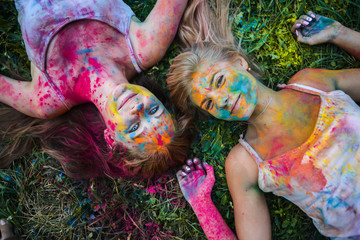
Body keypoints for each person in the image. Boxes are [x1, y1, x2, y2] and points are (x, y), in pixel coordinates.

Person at [167, 0, 360, 239]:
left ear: (240, 62)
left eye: (219, 81)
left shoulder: (312, 84)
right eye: (209, 104)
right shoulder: (244, 164)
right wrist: (201, 204)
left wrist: (340, 33)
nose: (222, 100)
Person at [0, 0, 193, 179]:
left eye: (134, 127)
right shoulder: (145, 47)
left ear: (111, 138)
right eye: (153, 110)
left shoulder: (48, 98)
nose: (138, 109)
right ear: (160, 100)